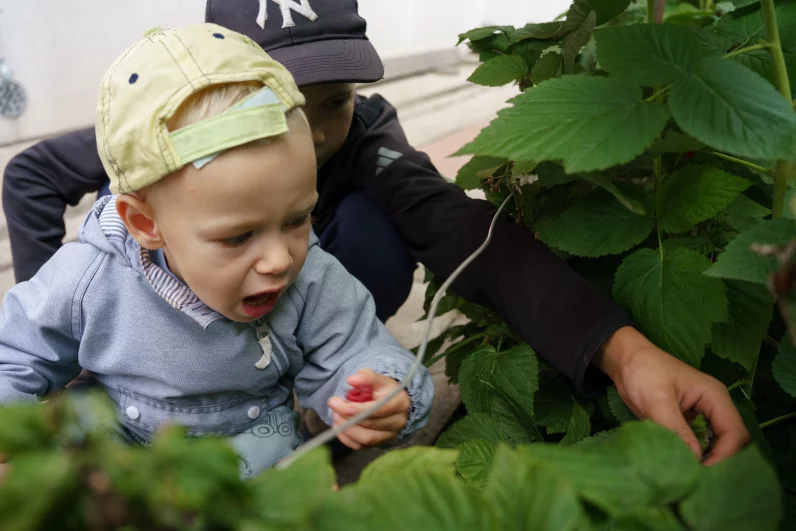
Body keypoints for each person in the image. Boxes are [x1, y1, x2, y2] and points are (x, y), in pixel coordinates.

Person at [1, 0, 748, 464]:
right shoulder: (147, 157)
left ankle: (313, 374)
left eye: (334, 102)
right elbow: (31, 199)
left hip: (280, 366)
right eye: (284, 97)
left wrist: (623, 353)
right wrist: (69, 331)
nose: (320, 131)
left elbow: (459, 226)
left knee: (360, 249)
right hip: (135, 380)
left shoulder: (330, 228)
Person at [0, 23, 433, 478]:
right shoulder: (91, 276)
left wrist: (381, 388)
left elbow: (354, 348)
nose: (279, 260)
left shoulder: (311, 282)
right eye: (238, 237)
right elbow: (18, 350)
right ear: (147, 224)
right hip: (118, 458)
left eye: (296, 220)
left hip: (250, 459)